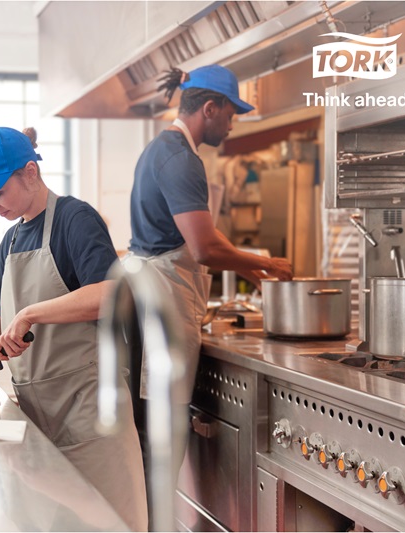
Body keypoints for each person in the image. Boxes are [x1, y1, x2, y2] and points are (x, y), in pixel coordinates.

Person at [0, 126, 147, 531]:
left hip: (90, 414)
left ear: (30, 173)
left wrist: (31, 313)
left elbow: (113, 294)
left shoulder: (76, 219)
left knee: (109, 521)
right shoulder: (11, 241)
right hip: (39, 416)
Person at [126, 65, 294, 459]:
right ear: (210, 108)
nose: (233, 125)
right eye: (232, 114)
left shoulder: (159, 149)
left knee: (157, 439)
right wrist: (267, 265)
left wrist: (252, 271)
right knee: (162, 446)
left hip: (156, 298)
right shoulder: (181, 159)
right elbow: (202, 248)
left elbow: (202, 235)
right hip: (164, 303)